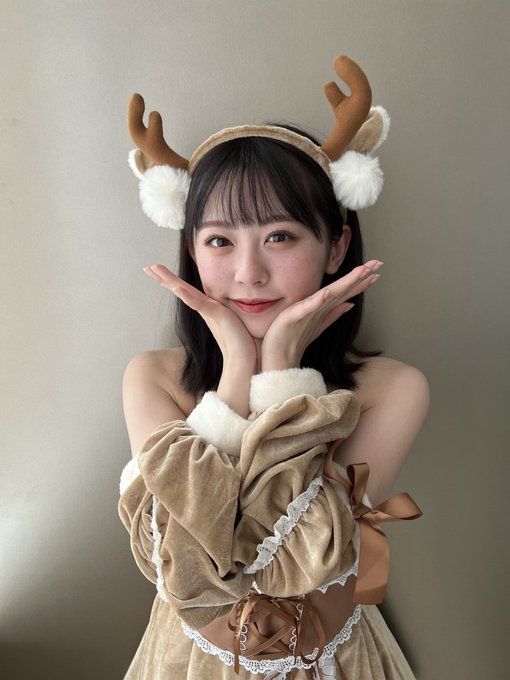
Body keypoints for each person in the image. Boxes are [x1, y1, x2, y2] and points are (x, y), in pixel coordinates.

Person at [119, 56, 430, 680]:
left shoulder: (393, 389)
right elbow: (181, 562)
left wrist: (283, 368)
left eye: (280, 237)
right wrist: (238, 368)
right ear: (191, 251)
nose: (248, 273)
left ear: (336, 247)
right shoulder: (152, 377)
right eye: (219, 240)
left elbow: (289, 564)